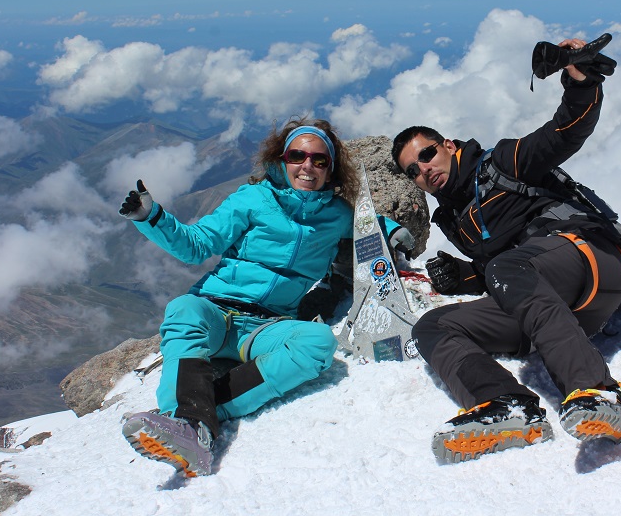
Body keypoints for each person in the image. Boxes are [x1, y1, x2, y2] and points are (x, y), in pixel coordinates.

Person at [392, 37, 621, 464]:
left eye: (428, 154)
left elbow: (565, 131)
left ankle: (598, 391)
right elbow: (499, 274)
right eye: (413, 171)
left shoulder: (504, 163)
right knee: (433, 327)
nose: (424, 170)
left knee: (508, 267)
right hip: (552, 306)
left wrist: (579, 77)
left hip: (591, 258)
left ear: (449, 145)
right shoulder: (454, 221)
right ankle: (508, 406)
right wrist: (463, 276)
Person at [119, 118, 412, 477]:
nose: (308, 166)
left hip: (267, 325)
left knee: (317, 343)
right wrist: (152, 217)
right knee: (184, 310)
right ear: (281, 159)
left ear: (330, 169)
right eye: (298, 156)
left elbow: (367, 222)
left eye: (319, 160)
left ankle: (198, 414)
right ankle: (187, 422)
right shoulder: (253, 199)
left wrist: (390, 229)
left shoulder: (337, 216)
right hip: (215, 310)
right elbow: (196, 246)